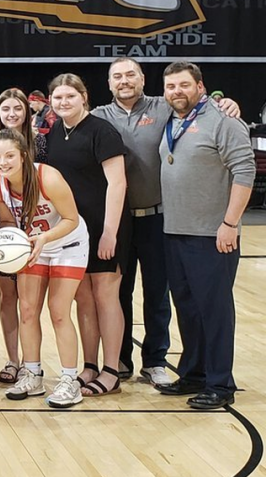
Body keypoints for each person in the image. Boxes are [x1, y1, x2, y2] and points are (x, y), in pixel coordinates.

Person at [90, 57, 242, 385]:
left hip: (160, 217)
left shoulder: (164, 107)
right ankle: (119, 360)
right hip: (119, 221)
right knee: (118, 292)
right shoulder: (98, 116)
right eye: (117, 76)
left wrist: (223, 101)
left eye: (131, 74)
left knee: (159, 293)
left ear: (143, 79)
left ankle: (155, 360)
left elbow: (202, 106)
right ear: (109, 83)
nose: (124, 80)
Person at [155, 61, 255, 409]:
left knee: (214, 310)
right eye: (170, 86)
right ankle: (193, 373)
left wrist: (230, 223)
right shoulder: (173, 119)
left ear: (200, 86)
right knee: (187, 307)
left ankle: (220, 383)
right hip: (175, 231)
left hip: (212, 234)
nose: (176, 92)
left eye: (183, 85)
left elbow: (245, 169)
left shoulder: (224, 120)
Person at [0, 128, 89, 409]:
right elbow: (8, 223)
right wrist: (8, 245)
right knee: (28, 310)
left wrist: (44, 238)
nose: (3, 162)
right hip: (32, 246)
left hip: (66, 243)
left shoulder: (49, 177)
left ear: (23, 155)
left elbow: (71, 218)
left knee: (58, 312)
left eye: (9, 155)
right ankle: (32, 373)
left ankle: (70, 380)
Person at [46, 73, 130, 398]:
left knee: (105, 296)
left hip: (103, 224)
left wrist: (110, 232)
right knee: (82, 297)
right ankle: (90, 365)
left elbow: (118, 183)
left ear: (84, 97)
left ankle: (111, 370)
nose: (63, 102)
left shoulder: (102, 131)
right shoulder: (53, 133)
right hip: (72, 229)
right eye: (58, 98)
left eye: (70, 96)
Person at [0, 88, 48, 384]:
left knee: (30, 303)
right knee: (7, 297)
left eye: (17, 109)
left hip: (38, 234)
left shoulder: (42, 142)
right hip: (5, 233)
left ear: (27, 111)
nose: (12, 114)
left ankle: (33, 363)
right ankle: (12, 359)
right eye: (5, 109)